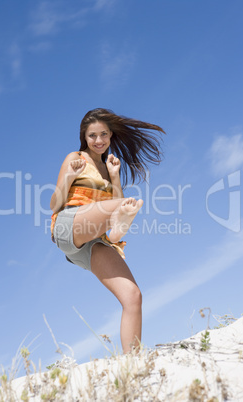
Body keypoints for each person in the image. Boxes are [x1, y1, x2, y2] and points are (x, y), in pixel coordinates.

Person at [50, 108, 165, 354]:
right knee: (122, 210)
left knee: (133, 296)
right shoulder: (76, 157)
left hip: (91, 244)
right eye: (93, 135)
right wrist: (69, 176)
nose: (99, 140)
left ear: (111, 136)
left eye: (104, 134)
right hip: (68, 224)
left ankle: (132, 365)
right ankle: (117, 233)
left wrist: (114, 176)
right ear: (84, 136)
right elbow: (53, 204)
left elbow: (116, 202)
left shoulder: (109, 166)